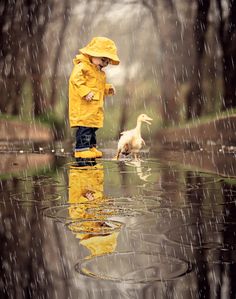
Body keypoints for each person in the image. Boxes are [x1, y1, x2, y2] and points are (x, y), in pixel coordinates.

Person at [69, 36, 120, 159]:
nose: (105, 64)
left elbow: (98, 87)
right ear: (92, 54)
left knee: (92, 128)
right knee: (85, 127)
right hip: (84, 107)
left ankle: (91, 147)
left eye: (107, 62)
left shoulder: (99, 72)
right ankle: (81, 149)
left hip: (94, 108)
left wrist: (107, 89)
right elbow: (75, 80)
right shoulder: (83, 66)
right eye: (103, 60)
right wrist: (85, 91)